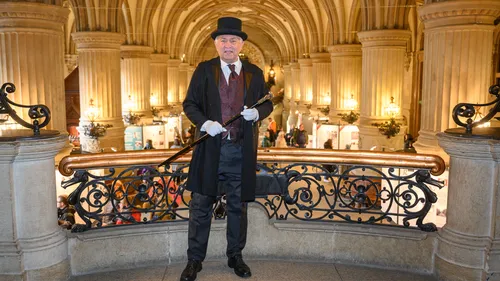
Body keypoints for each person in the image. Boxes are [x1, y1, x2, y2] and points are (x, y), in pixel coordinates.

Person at [180, 17, 273, 281]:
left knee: (237, 208)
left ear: (242, 44)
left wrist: (257, 113)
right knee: (200, 206)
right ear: (216, 44)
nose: (228, 45)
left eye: (233, 40)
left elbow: (268, 103)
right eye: (223, 40)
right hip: (209, 151)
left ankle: (236, 256)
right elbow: (190, 104)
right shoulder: (204, 70)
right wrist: (205, 122)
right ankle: (194, 261)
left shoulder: (254, 73)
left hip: (240, 153)